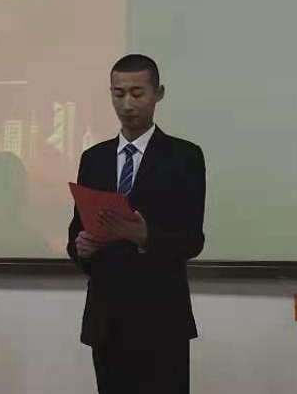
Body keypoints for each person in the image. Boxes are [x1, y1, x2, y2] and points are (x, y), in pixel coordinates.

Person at [66, 54, 206, 394]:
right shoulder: (94, 158)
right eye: (118, 94)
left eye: (137, 93)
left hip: (161, 319)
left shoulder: (184, 157)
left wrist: (145, 237)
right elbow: (76, 233)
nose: (127, 104)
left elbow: (192, 240)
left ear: (158, 93)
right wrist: (82, 249)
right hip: (107, 319)